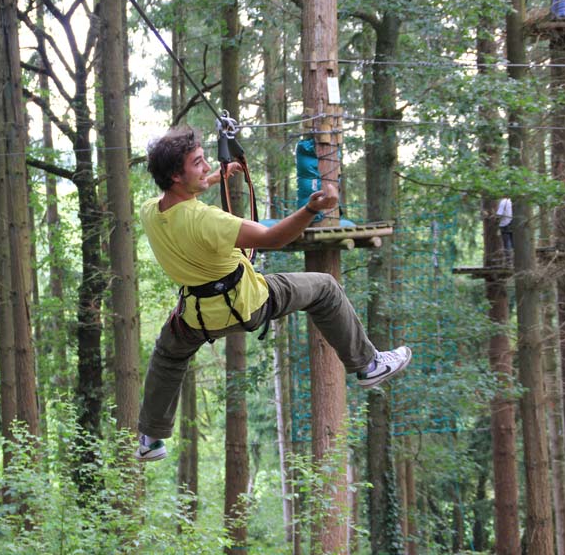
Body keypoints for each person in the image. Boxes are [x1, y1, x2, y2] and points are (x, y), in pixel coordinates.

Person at [135, 126, 412, 462]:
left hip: (197, 315)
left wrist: (217, 176)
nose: (206, 166)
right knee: (325, 287)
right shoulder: (208, 220)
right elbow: (275, 238)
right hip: (247, 303)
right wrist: (310, 210)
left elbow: (185, 197)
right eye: (198, 163)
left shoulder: (151, 211)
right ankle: (368, 364)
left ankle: (151, 437)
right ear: (177, 176)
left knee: (168, 354)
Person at [496, 197, 513, 264]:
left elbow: (499, 214)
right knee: (513, 242)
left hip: (505, 224)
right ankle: (514, 259)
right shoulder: (512, 201)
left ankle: (508, 260)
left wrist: (496, 221)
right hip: (513, 223)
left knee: (507, 243)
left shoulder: (503, 201)